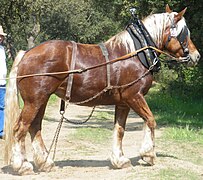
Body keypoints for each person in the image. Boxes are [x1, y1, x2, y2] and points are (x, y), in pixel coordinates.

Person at [0, 25, 7, 139]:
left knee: (2, 107)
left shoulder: (2, 49)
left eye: (1, 36)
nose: (0, 38)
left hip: (2, 83)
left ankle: (0, 131)